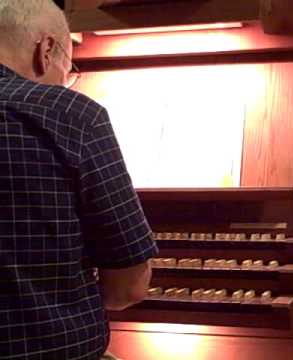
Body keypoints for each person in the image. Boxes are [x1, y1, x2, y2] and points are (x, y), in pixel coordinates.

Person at [0, 1, 159, 359]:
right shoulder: (69, 113)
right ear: (47, 50)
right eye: (69, 69)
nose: (66, 81)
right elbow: (128, 287)